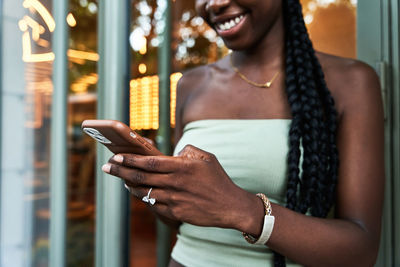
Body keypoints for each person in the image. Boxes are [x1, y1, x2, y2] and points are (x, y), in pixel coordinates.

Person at [101, 0, 385, 266]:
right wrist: (158, 189)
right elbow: (184, 221)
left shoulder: (350, 82)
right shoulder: (191, 85)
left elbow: (361, 249)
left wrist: (244, 209)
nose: (214, 4)